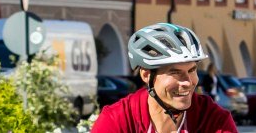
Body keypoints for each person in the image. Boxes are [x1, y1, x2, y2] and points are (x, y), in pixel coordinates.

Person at [91, 23, 237, 133]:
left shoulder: (211, 118)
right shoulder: (118, 119)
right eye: (175, 72)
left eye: (192, 70)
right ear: (146, 75)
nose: (188, 82)